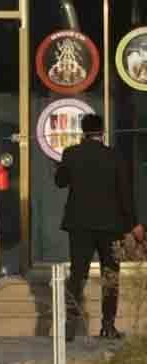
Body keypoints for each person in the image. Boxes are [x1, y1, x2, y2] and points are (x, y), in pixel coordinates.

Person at [55, 114, 145, 341]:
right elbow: (125, 192)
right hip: (111, 226)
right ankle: (108, 326)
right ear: (102, 132)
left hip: (79, 225)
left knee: (77, 274)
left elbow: (60, 182)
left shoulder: (71, 154)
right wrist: (133, 223)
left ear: (82, 132)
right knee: (110, 276)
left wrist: (61, 166)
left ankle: (69, 326)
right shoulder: (114, 156)